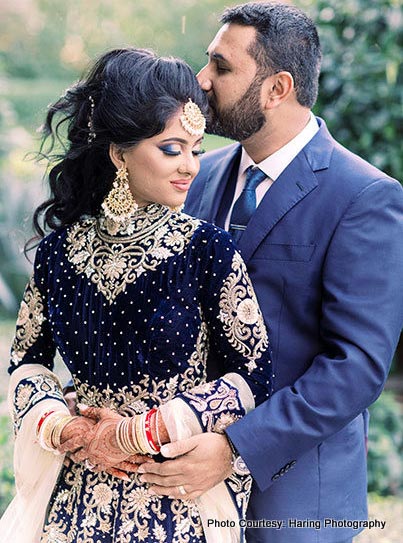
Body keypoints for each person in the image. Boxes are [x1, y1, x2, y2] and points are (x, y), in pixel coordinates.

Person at [137, 3, 403, 542]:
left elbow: (356, 367)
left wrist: (236, 446)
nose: (201, 81)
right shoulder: (197, 175)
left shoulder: (365, 197)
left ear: (277, 88)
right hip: (178, 495)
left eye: (222, 67)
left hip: (295, 501)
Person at [0, 47, 274, 543]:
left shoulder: (205, 249)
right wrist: (66, 429)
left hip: (172, 495)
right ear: (119, 153)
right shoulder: (60, 254)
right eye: (172, 148)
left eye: (196, 147)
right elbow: (26, 363)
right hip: (75, 499)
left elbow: (254, 372)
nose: (190, 165)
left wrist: (136, 433)